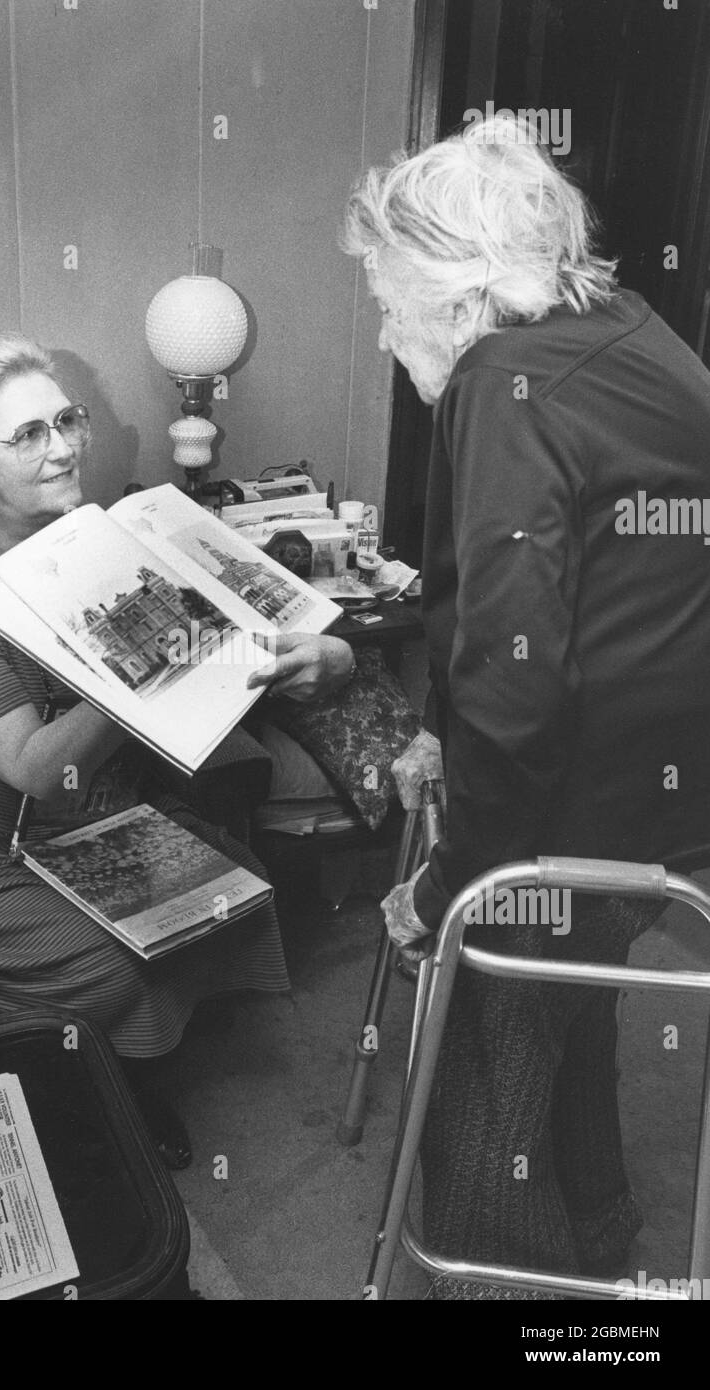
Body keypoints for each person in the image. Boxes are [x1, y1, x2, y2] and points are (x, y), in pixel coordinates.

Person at [255, 114, 710, 1296]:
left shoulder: (502, 383)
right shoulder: (623, 326)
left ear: (451, 282)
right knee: (575, 1013)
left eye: (387, 288)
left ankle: (511, 1285)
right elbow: (553, 594)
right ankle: (600, 1230)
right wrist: (435, 727)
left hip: (580, 791)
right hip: (663, 781)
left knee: (481, 1069)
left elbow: (521, 680)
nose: (382, 317)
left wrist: (446, 884)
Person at [0, 332, 300, 1169]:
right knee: (109, 971)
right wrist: (150, 656)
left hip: (91, 818)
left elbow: (213, 664)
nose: (63, 446)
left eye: (67, 419)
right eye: (26, 434)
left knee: (231, 886)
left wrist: (302, 652)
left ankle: (126, 1076)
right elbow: (34, 769)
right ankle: (93, 1095)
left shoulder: (98, 545)